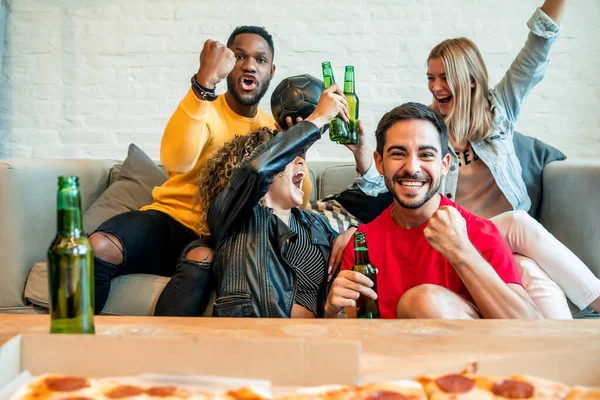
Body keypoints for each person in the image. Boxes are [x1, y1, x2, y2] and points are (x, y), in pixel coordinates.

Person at [332, 0, 600, 318]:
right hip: (456, 231)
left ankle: (570, 336)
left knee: (527, 263)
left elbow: (536, 50)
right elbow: (396, 185)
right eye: (430, 78)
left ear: (469, 79)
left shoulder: (499, 111)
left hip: (488, 238)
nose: (435, 87)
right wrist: (354, 227)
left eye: (444, 77)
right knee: (518, 224)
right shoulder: (428, 130)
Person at [89, 26, 312, 316]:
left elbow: (300, 201)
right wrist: (204, 80)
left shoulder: (273, 130)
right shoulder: (203, 105)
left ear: (271, 70)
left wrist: (297, 148)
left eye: (260, 60)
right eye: (239, 56)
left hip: (219, 235)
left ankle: (166, 356)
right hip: (167, 220)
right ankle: (72, 350)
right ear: (228, 64)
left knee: (202, 259)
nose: (249, 65)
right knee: (96, 247)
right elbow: (177, 160)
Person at [325, 103, 542, 320]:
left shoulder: (478, 232)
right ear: (380, 163)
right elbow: (352, 332)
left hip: (469, 352)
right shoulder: (362, 243)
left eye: (426, 155)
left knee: (422, 302)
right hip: (391, 351)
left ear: (444, 165)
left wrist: (461, 250)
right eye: (399, 154)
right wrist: (333, 312)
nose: (412, 168)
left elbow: (530, 328)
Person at [199, 84, 347, 318]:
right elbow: (256, 170)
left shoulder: (315, 225)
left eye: (302, 158)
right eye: (291, 157)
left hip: (315, 344)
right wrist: (317, 119)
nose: (302, 163)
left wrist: (355, 232)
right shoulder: (235, 217)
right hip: (256, 342)